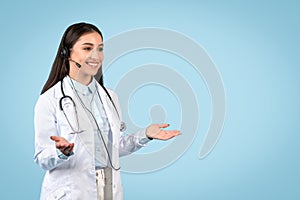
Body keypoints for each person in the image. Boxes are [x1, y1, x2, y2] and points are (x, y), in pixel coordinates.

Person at [33, 22, 180, 200]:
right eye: (87, 48)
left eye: (100, 49)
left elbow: (113, 149)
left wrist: (145, 135)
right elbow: (42, 158)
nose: (96, 55)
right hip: (72, 192)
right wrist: (60, 152)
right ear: (67, 52)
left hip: (108, 189)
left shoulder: (109, 97)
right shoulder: (50, 100)